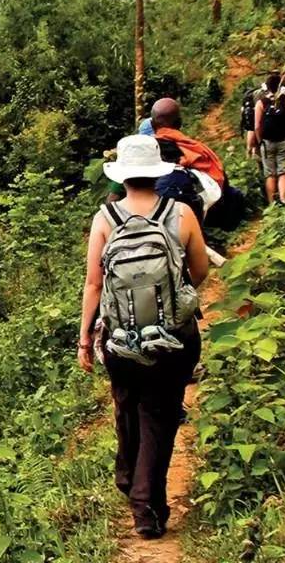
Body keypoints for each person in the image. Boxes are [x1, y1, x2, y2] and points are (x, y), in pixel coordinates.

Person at [79, 135, 208, 539]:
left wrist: (85, 339)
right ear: (157, 173)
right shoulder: (182, 213)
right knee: (160, 415)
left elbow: (94, 286)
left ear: (121, 176)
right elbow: (200, 272)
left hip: (120, 340)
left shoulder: (105, 219)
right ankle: (146, 504)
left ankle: (135, 486)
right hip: (173, 338)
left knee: (128, 405)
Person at [253, 72, 285, 205]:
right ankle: (283, 199)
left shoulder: (261, 103)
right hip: (284, 141)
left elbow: (256, 126)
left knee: (269, 173)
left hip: (267, 141)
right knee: (283, 171)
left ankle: (271, 203)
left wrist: (260, 142)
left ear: (267, 87)